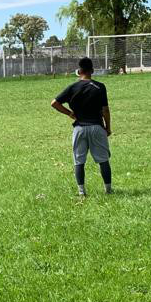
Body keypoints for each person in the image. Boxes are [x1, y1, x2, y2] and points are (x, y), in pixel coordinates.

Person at [50, 57, 112, 197]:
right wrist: (107, 127)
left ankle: (81, 191)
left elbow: (54, 103)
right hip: (96, 127)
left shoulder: (72, 87)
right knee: (103, 160)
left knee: (79, 160)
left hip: (79, 128)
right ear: (92, 71)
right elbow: (105, 110)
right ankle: (108, 190)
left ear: (79, 71)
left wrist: (70, 113)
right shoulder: (100, 87)